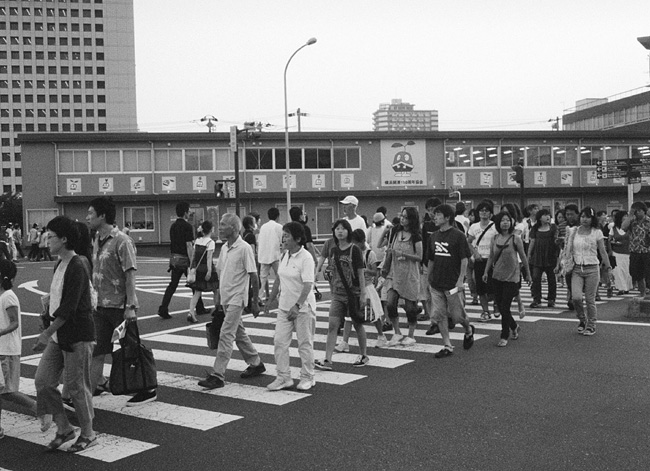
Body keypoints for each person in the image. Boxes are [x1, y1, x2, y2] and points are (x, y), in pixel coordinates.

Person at [33, 216, 96, 452]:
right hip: (60, 335)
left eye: (51, 237)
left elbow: (70, 307)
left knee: (77, 386)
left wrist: (45, 333)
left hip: (78, 335)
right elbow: (57, 300)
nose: (47, 241)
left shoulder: (77, 265)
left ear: (65, 239)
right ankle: (64, 427)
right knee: (43, 381)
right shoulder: (59, 264)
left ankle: (88, 434)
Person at [86, 197, 155, 405]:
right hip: (100, 305)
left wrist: (130, 306)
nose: (87, 217)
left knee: (131, 348)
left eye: (90, 213)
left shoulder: (122, 240)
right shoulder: (96, 239)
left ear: (102, 216)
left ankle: (147, 388)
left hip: (119, 306)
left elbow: (130, 274)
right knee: (97, 350)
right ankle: (87, 395)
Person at [198, 214, 265, 390]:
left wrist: (255, 301)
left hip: (237, 298)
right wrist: (218, 300)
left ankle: (218, 375)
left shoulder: (244, 248)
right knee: (239, 334)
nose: (219, 228)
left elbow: (254, 277)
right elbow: (221, 274)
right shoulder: (225, 248)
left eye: (223, 225)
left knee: (226, 334)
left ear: (234, 228)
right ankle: (256, 363)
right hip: (227, 297)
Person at [1, 259, 52, 440]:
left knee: (8, 391)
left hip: (7, 349)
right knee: (2, 390)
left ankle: (42, 411)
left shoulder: (8, 296)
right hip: (1, 348)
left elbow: (14, 323)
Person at [264, 222, 317, 391]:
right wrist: (270, 299)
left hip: (302, 308)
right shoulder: (284, 255)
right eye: (283, 235)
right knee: (280, 342)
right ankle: (283, 377)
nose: (283, 238)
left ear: (298, 238)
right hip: (284, 306)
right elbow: (279, 278)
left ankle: (308, 376)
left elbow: (308, 284)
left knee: (304, 343)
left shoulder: (306, 257)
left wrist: (298, 305)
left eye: (287, 235)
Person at [315, 219, 368, 370]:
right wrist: (327, 273)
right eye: (337, 228)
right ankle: (327, 359)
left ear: (348, 231)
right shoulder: (334, 250)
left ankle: (364, 355)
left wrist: (363, 293)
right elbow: (332, 269)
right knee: (333, 325)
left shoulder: (354, 250)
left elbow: (360, 272)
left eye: (343, 229)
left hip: (353, 293)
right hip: (337, 293)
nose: (340, 231)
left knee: (357, 324)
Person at [426, 204, 475, 358]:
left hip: (453, 283)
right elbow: (431, 259)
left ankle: (468, 330)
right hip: (436, 283)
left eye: (438, 214)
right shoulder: (433, 236)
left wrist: (461, 280)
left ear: (447, 217)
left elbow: (464, 259)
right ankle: (447, 345)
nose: (435, 217)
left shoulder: (458, 235)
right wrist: (428, 276)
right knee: (440, 314)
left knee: (457, 316)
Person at [482, 211, 531, 346]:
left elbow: (523, 256)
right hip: (497, 275)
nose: (505, 223)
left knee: (505, 306)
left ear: (511, 222)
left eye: (508, 220)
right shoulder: (495, 238)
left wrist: (528, 274)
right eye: (503, 220)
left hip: (512, 277)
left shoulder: (516, 238)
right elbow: (491, 256)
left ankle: (504, 335)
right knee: (501, 305)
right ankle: (514, 326)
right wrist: (486, 272)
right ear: (498, 223)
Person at [335, 229, 389, 351]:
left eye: (355, 243)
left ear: (362, 241)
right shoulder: (352, 252)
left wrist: (363, 270)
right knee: (349, 316)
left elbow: (375, 272)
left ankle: (381, 335)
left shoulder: (370, 254)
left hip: (367, 287)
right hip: (354, 287)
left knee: (373, 314)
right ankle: (344, 342)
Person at [562, 207, 611, 336]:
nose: (584, 219)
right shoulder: (573, 231)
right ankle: (582, 319)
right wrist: (560, 264)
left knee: (590, 299)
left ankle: (591, 324)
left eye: (587, 217)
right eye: (583, 216)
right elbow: (566, 249)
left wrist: (608, 267)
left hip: (592, 268)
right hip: (577, 268)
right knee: (576, 298)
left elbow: (602, 251)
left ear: (592, 218)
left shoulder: (597, 232)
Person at [158, 202, 207, 319]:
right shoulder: (187, 226)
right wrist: (192, 262)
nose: (190, 213)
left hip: (175, 260)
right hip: (185, 260)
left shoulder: (173, 226)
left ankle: (163, 308)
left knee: (173, 285)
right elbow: (189, 245)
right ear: (185, 212)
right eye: (189, 211)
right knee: (194, 284)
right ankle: (199, 308)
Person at [382, 207, 423, 347]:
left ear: (412, 219)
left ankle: (411, 335)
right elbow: (388, 248)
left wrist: (403, 254)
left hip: (409, 274)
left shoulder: (416, 235)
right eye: (402, 216)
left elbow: (419, 256)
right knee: (390, 303)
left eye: (406, 217)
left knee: (411, 308)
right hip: (394, 273)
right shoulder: (395, 231)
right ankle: (397, 332)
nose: (402, 219)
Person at [467, 201, 498, 321]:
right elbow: (468, 241)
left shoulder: (495, 226)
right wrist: (475, 253)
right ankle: (485, 311)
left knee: (493, 286)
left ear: (490, 213)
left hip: (492, 261)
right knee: (480, 287)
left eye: (486, 210)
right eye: (481, 210)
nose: (484, 213)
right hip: (479, 260)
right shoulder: (474, 227)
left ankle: (496, 304)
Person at [187, 221, 219, 323]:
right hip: (207, 268)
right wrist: (209, 271)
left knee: (197, 292)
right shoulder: (210, 242)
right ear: (211, 229)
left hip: (198, 268)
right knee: (216, 290)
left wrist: (192, 267)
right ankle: (217, 310)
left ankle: (191, 312)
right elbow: (209, 258)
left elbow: (193, 256)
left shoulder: (197, 240)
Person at [527, 208, 558, 308]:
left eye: (548, 215)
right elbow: (532, 242)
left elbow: (556, 242)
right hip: (537, 256)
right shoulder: (535, 228)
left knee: (551, 279)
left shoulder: (553, 228)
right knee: (536, 278)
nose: (548, 217)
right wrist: (528, 255)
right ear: (539, 218)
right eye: (545, 215)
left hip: (550, 256)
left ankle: (551, 299)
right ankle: (537, 299)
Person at [622, 202, 650, 298]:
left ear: (644, 211)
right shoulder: (632, 221)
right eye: (635, 211)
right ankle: (643, 293)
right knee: (637, 274)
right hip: (635, 251)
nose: (637, 213)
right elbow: (623, 227)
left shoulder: (648, 221)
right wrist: (630, 216)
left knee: (648, 274)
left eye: (639, 211)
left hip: (647, 251)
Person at [257, 207, 283, 303]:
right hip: (275, 255)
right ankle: (281, 295)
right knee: (280, 276)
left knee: (262, 278)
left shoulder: (263, 227)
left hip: (263, 255)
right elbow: (282, 241)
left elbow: (259, 240)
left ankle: (259, 297)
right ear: (278, 216)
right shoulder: (279, 227)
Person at [609, 210, 632, 295]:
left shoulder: (630, 228)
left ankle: (627, 287)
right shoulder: (613, 228)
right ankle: (621, 288)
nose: (626, 218)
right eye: (624, 216)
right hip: (616, 252)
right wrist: (611, 249)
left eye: (627, 216)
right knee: (618, 271)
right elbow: (609, 240)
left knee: (627, 271)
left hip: (628, 252)